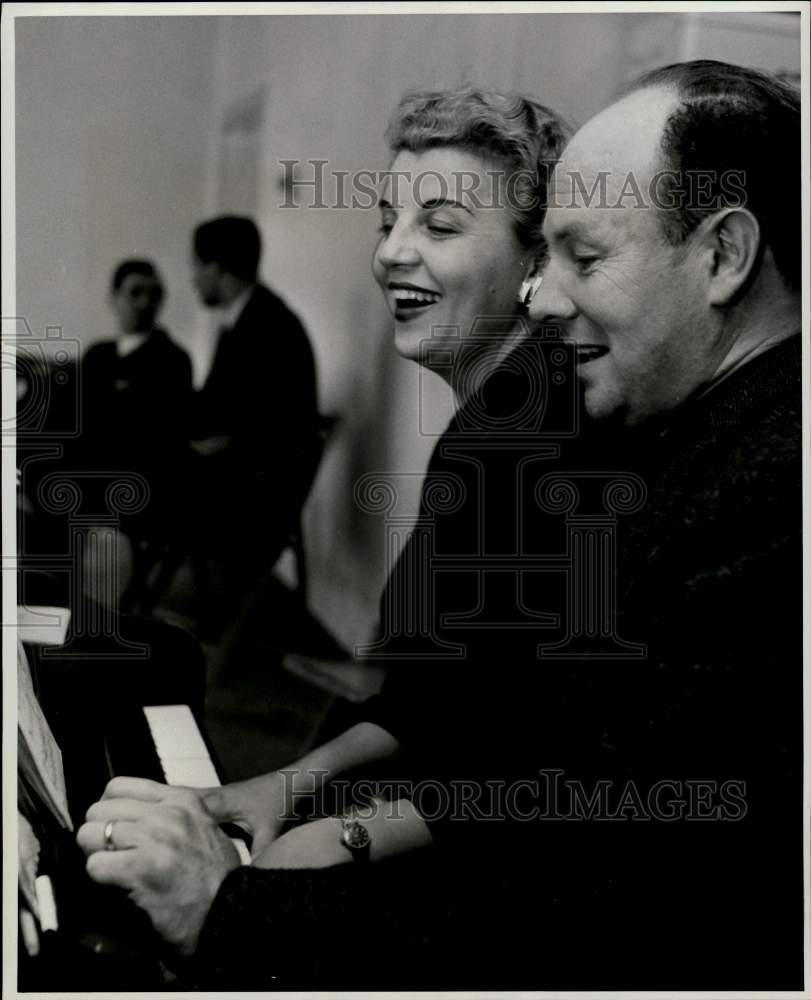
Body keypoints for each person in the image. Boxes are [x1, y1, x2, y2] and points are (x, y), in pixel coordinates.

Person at [78, 62, 802, 989]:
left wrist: (277, 882)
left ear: (721, 254)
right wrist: (302, 800)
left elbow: (594, 866)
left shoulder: (687, 461)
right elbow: (478, 719)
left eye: (581, 258)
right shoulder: (656, 419)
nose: (389, 253)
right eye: (387, 222)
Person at [188, 215, 319, 607]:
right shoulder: (252, 317)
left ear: (216, 267)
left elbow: (267, 430)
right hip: (243, 477)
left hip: (254, 495)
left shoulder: (266, 325)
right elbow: (218, 407)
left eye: (196, 267)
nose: (194, 278)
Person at [79, 259, 193, 543]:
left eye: (154, 294)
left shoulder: (172, 359)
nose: (145, 303)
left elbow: (155, 432)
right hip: (90, 467)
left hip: (135, 478)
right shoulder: (98, 354)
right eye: (135, 293)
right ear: (113, 299)